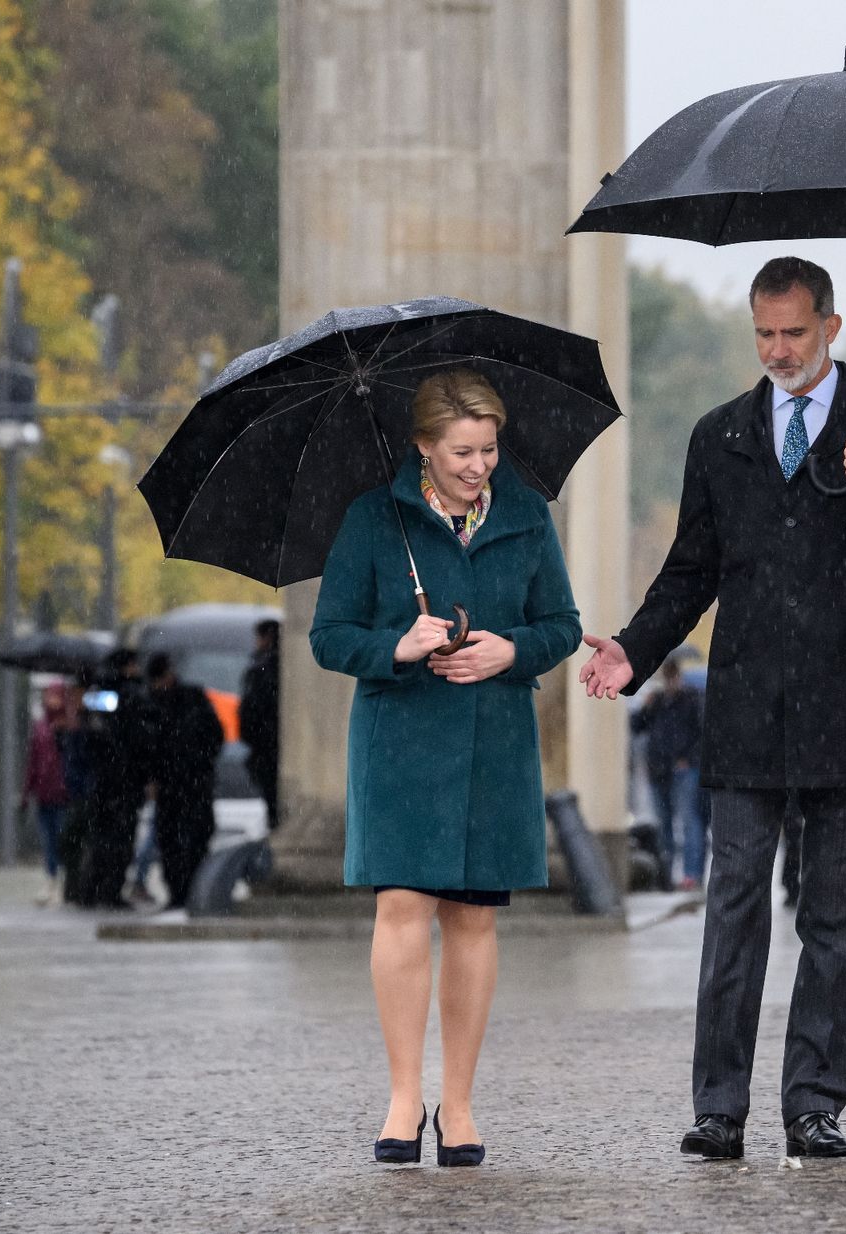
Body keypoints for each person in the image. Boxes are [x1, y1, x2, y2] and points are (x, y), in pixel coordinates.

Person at [578, 256, 846, 1160]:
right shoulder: (721, 436)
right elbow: (692, 568)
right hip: (749, 707)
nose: (778, 350)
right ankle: (719, 1106)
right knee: (735, 906)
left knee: (836, 918)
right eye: (764, 333)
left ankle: (814, 1103)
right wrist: (636, 648)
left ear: (832, 326)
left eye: (794, 332)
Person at [310, 368, 580, 1166]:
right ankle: (403, 1098)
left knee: (472, 916)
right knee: (402, 905)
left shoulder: (527, 518)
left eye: (489, 450)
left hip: (493, 739)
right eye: (462, 451)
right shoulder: (372, 520)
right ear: (423, 447)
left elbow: (560, 623)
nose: (478, 466)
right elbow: (331, 635)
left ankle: (457, 1106)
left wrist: (511, 649)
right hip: (399, 738)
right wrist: (395, 645)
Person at [71, 649, 153, 909]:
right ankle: (110, 891)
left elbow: (90, 732)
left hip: (101, 779)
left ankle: (89, 891)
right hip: (124, 780)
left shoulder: (99, 694)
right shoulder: (133, 695)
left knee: (100, 835)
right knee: (121, 837)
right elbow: (139, 739)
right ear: (129, 666)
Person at [144, 653, 225, 911]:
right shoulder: (160, 703)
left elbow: (214, 735)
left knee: (193, 838)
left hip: (190, 782)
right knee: (174, 841)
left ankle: (189, 892)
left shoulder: (188, 699)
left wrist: (198, 762)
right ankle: (180, 893)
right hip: (177, 783)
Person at [630, 654, 706, 889]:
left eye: (673, 675)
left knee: (689, 822)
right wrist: (646, 707)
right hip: (658, 771)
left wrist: (688, 759)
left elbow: (702, 733)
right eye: (667, 675)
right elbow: (636, 726)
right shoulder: (657, 702)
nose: (670, 680)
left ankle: (691, 875)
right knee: (664, 827)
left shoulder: (692, 699)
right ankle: (667, 876)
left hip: (684, 770)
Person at [24, 683, 76, 906]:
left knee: (63, 839)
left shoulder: (69, 725)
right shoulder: (40, 726)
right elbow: (33, 762)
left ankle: (66, 882)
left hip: (64, 795)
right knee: (49, 842)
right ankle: (51, 880)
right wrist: (27, 791)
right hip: (44, 794)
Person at [238, 618, 281, 830]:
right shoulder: (275, 666)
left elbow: (250, 711)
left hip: (266, 745)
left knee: (272, 802)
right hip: (271, 743)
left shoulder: (261, 670)